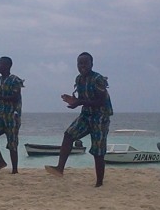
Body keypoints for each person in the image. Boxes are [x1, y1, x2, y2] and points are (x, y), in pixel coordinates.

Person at [45, 52, 113, 187]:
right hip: (86, 115)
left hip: (100, 117)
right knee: (68, 134)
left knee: (98, 151)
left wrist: (79, 102)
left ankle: (99, 183)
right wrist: (74, 101)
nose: (82, 66)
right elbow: (82, 100)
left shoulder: (98, 79)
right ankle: (60, 168)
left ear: (91, 64)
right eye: (79, 63)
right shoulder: (79, 79)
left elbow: (100, 101)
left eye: (85, 63)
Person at [0, 56, 24, 173]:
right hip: (1, 113)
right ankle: (1, 161)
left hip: (12, 115)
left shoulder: (14, 80)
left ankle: (15, 170)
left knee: (12, 142)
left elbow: (15, 97)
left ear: (7, 66)